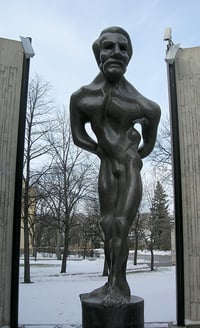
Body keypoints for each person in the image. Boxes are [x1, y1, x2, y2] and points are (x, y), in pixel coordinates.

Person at [70, 26, 161, 304]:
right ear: (98, 52)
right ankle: (111, 283)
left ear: (129, 57)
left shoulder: (143, 105)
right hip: (107, 167)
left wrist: (132, 155)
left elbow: (148, 142)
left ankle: (120, 286)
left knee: (121, 224)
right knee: (107, 224)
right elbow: (77, 136)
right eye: (109, 46)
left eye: (124, 48)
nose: (117, 53)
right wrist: (101, 151)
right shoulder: (82, 98)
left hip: (129, 167)